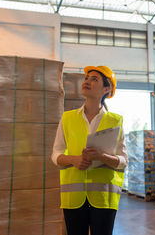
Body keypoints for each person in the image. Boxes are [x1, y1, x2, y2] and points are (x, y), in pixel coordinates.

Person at [51, 66, 128, 235]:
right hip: (74, 199)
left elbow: (123, 161)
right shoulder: (68, 118)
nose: (87, 81)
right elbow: (55, 155)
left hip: (104, 198)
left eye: (94, 79)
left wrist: (102, 157)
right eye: (87, 78)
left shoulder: (116, 120)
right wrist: (73, 160)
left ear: (106, 89)